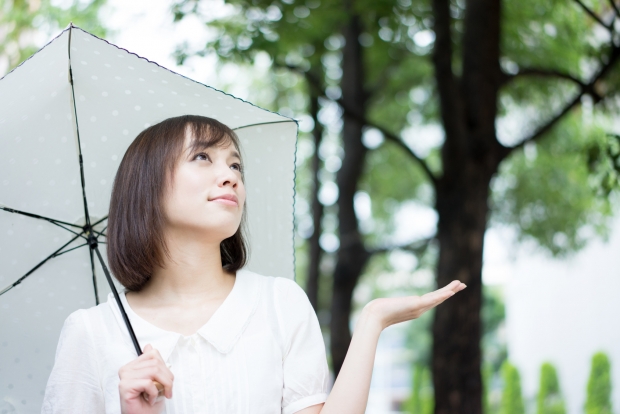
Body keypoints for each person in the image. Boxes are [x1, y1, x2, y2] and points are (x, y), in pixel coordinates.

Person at [41, 115, 466, 414]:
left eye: (235, 165)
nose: (230, 176)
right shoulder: (92, 333)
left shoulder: (279, 303)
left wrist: (372, 321)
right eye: (203, 158)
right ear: (147, 185)